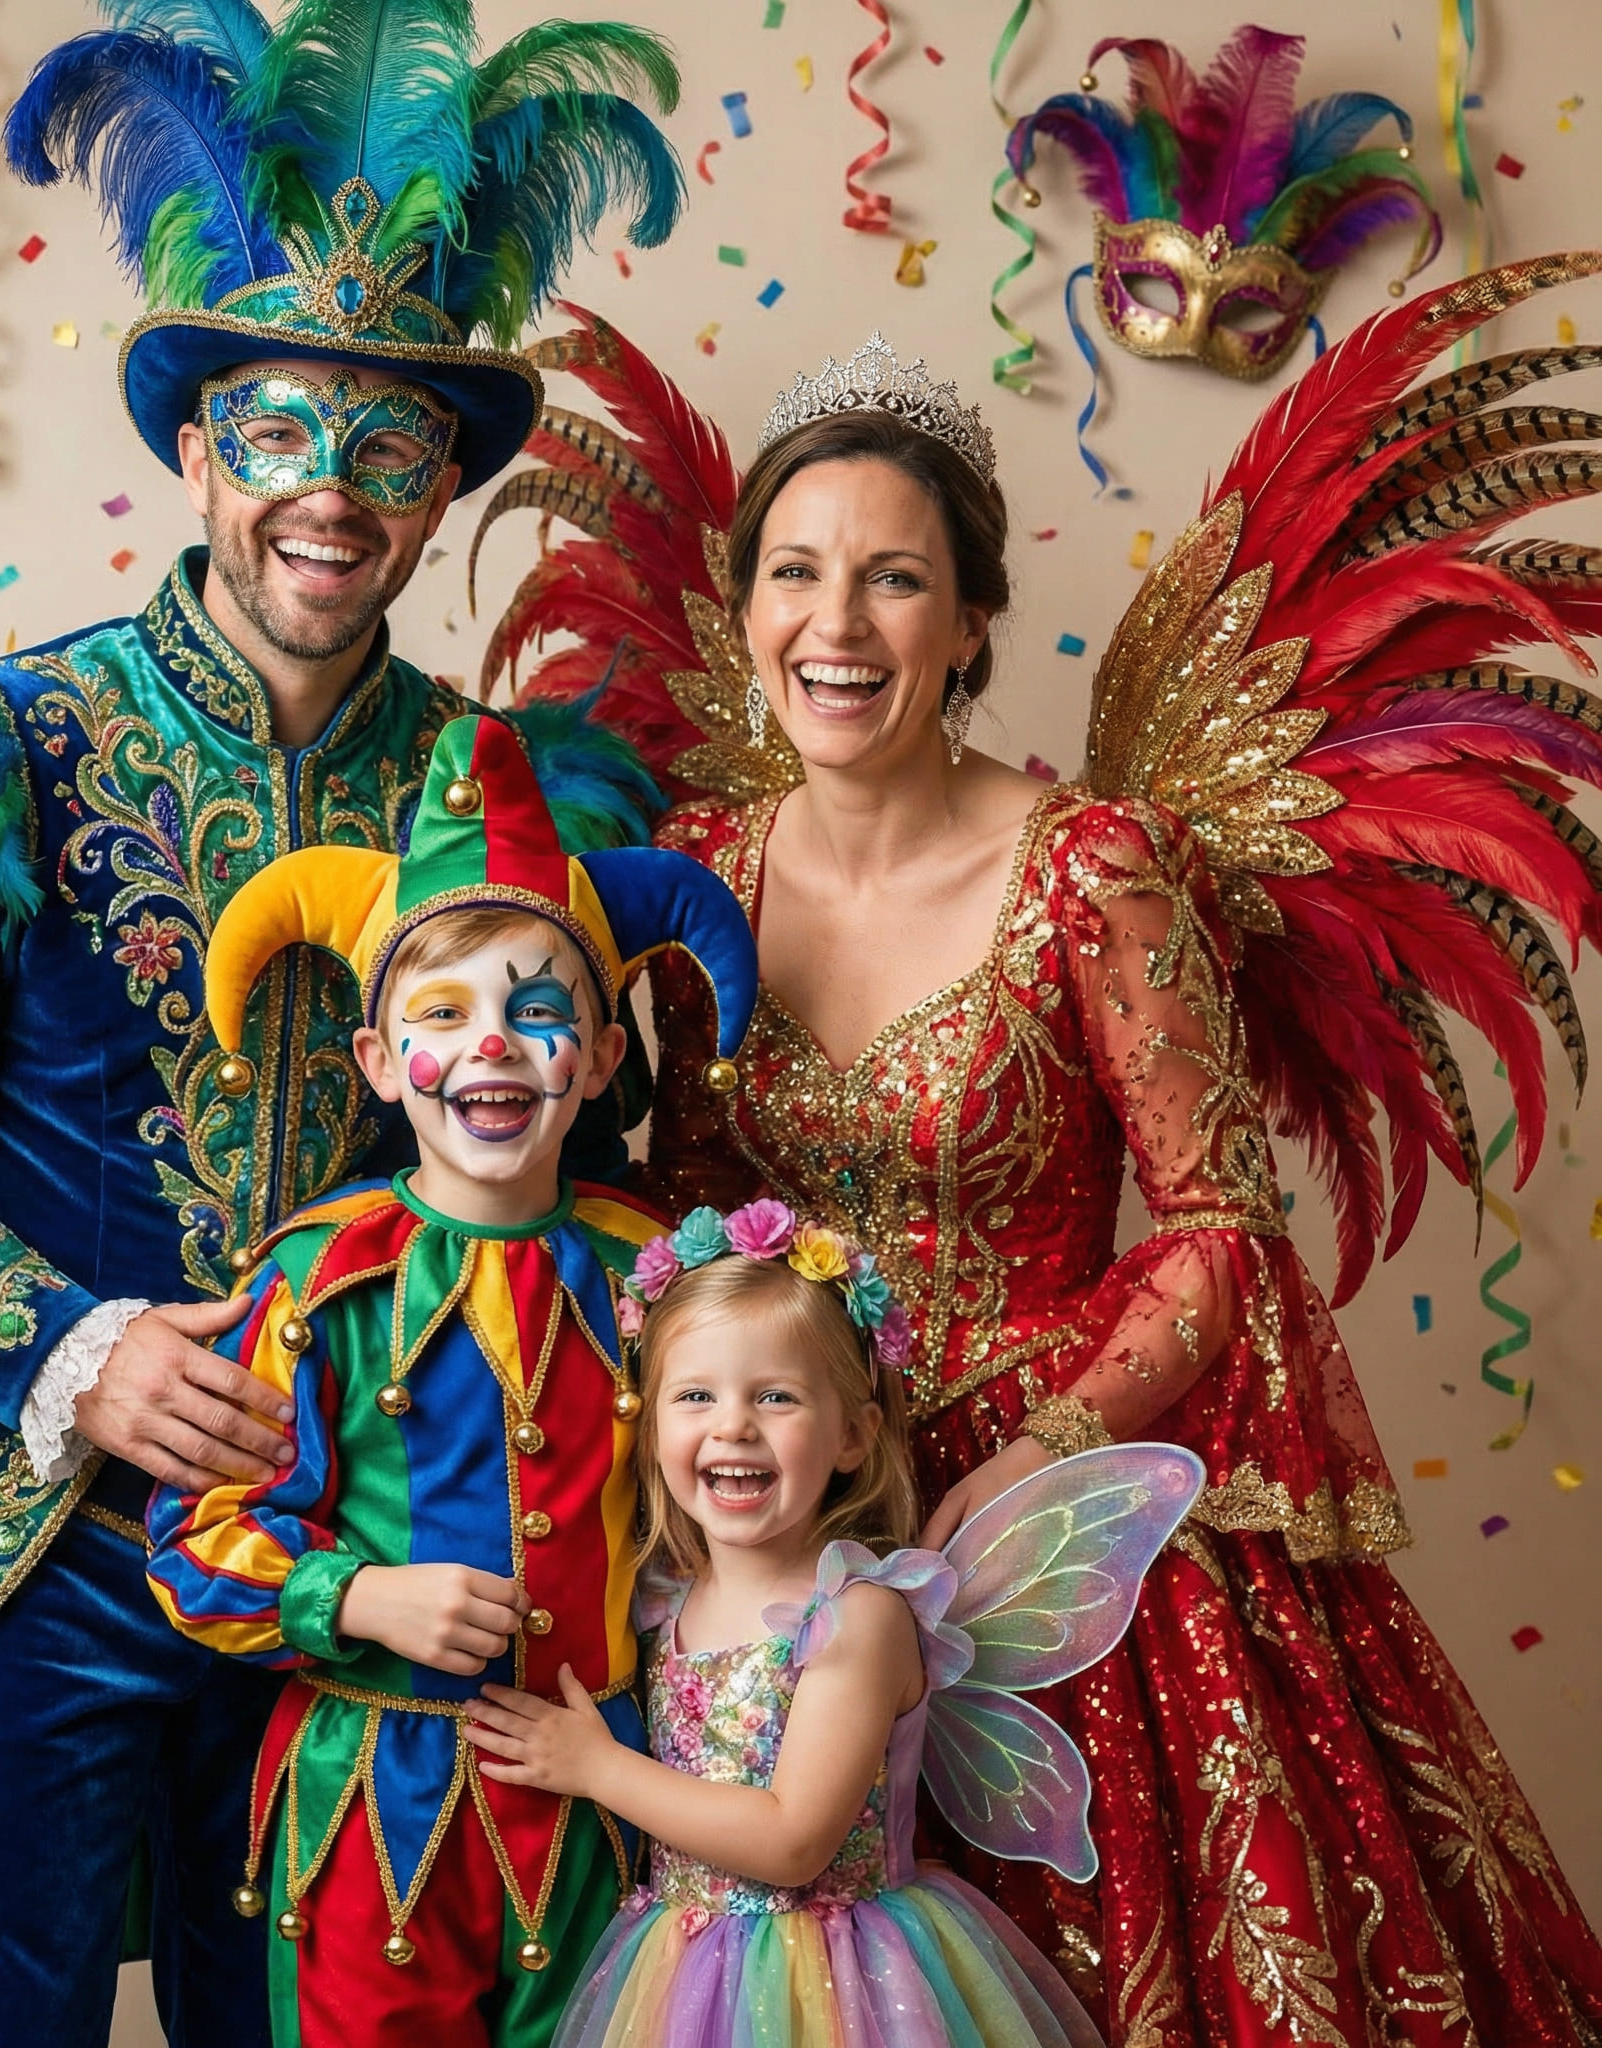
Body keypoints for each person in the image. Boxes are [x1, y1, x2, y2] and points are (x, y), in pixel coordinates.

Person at [0, 8, 683, 2043]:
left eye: (391, 451)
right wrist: (66, 1347)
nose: (330, 494)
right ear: (199, 452)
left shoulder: (511, 799)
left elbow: (580, 1164)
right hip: (28, 1546)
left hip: (365, 1570)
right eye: (282, 434)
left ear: (444, 491)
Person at [479, 277, 1602, 2046]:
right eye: (793, 569)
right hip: (764, 1536)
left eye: (892, 575)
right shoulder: (683, 871)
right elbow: (672, 1213)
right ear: (741, 606)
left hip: (1048, 1535)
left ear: (973, 617)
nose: (832, 620)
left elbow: (1219, 1222)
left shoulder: (1094, 866)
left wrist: (1009, 1466)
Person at [142, 713, 761, 2046]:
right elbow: (194, 1541)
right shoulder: (315, 1280)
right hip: (377, 1807)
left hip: (613, 1798)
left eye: (539, 1013)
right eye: (444, 1014)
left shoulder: (651, 1271)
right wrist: (359, 1591)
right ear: (380, 1062)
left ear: (598, 1062)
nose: (492, 1045)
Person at [463, 1204, 1203, 2048]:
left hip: (844, 1985)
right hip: (678, 1969)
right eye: (695, 1395)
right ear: (651, 1424)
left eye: (775, 1396)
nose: (732, 1424)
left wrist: (597, 1767)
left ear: (854, 1435)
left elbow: (791, 1842)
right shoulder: (663, 1598)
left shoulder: (860, 1617)